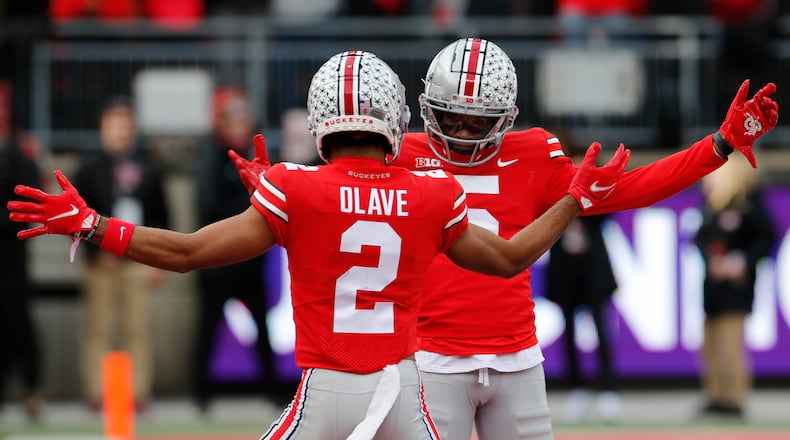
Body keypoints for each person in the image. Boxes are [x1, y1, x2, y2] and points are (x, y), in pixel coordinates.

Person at [8, 50, 630, 439]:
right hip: (405, 396)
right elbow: (514, 259)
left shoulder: (295, 188)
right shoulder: (431, 194)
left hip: (325, 392)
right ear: (397, 120)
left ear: (319, 119)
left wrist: (94, 225)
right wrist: (574, 198)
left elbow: (187, 253)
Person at [389, 38, 778, 440]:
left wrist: (720, 144)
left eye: (478, 121)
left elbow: (634, 187)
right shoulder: (398, 155)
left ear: (505, 117)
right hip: (430, 358)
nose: (462, 132)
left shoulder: (533, 153)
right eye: (451, 117)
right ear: (428, 108)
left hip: (516, 357)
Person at [70, 95, 170, 413]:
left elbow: (161, 217)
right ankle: (97, 392)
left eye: (126, 124)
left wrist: (159, 261)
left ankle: (138, 392)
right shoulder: (87, 167)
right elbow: (75, 216)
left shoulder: (149, 168)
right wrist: (92, 253)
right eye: (114, 123)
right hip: (101, 262)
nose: (120, 130)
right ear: (103, 127)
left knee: (137, 328)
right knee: (98, 328)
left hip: (137, 258)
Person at [193, 86, 276, 413]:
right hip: (218, 263)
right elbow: (207, 205)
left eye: (244, 119)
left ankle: (273, 391)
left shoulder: (260, 157)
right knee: (207, 326)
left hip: (250, 263)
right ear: (222, 124)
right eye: (233, 119)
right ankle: (201, 394)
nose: (239, 126)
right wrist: (247, 209)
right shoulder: (213, 157)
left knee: (263, 327)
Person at [694, 152, 776, 419]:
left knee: (731, 342)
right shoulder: (712, 207)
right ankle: (715, 395)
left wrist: (741, 262)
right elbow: (700, 239)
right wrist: (712, 260)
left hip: (737, 289)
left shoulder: (750, 206)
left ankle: (734, 398)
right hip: (714, 287)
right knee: (709, 342)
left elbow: (766, 238)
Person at [545, 143, 620, 424]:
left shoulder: (599, 194)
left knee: (602, 330)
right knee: (569, 332)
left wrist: (590, 191)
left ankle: (609, 390)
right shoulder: (554, 189)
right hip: (565, 270)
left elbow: (606, 216)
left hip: (594, 270)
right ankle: (576, 388)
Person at [0, 81, 43, 421]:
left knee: (20, 323)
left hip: (11, 253)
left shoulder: (19, 152)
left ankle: (31, 389)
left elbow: (29, 201)